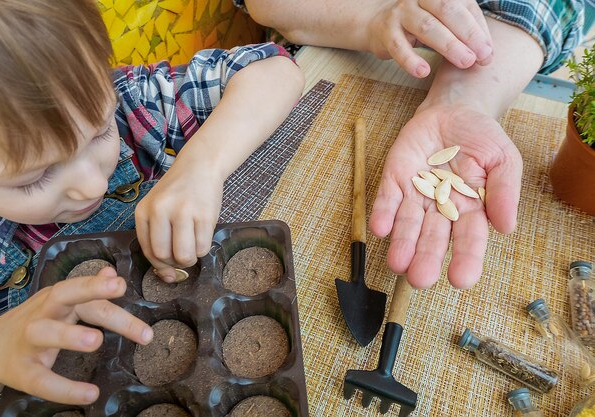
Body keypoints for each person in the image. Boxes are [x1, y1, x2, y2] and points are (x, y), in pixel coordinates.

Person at [0, 1, 304, 415]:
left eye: (100, 131)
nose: (92, 184)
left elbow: (275, 68)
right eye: (33, 178)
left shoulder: (137, 109)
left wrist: (200, 166)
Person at [236, 0, 585, 289]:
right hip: (298, 70)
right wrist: (373, 19)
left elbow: (545, 9)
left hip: (469, 72)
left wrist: (463, 99)